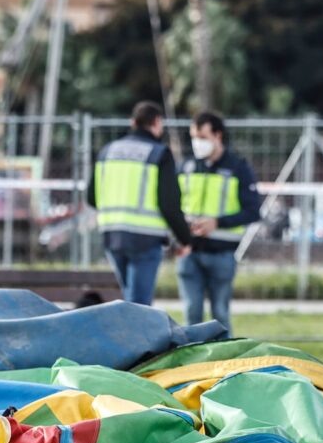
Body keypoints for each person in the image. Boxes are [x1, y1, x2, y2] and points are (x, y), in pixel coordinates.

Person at [87, 101, 193, 306]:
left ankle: (128, 336)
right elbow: (169, 203)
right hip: (145, 238)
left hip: (112, 235)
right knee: (139, 305)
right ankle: (136, 338)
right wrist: (185, 239)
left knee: (130, 300)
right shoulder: (159, 153)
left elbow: (91, 197)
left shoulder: (108, 151)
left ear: (132, 122)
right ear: (157, 122)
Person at [177, 111, 263, 331]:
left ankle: (225, 363)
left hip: (222, 253)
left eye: (203, 137)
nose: (197, 143)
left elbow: (253, 211)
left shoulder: (237, 168)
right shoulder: (186, 167)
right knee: (191, 314)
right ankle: (194, 364)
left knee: (220, 316)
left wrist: (217, 222)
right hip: (190, 252)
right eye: (194, 137)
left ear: (218, 136)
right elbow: (174, 206)